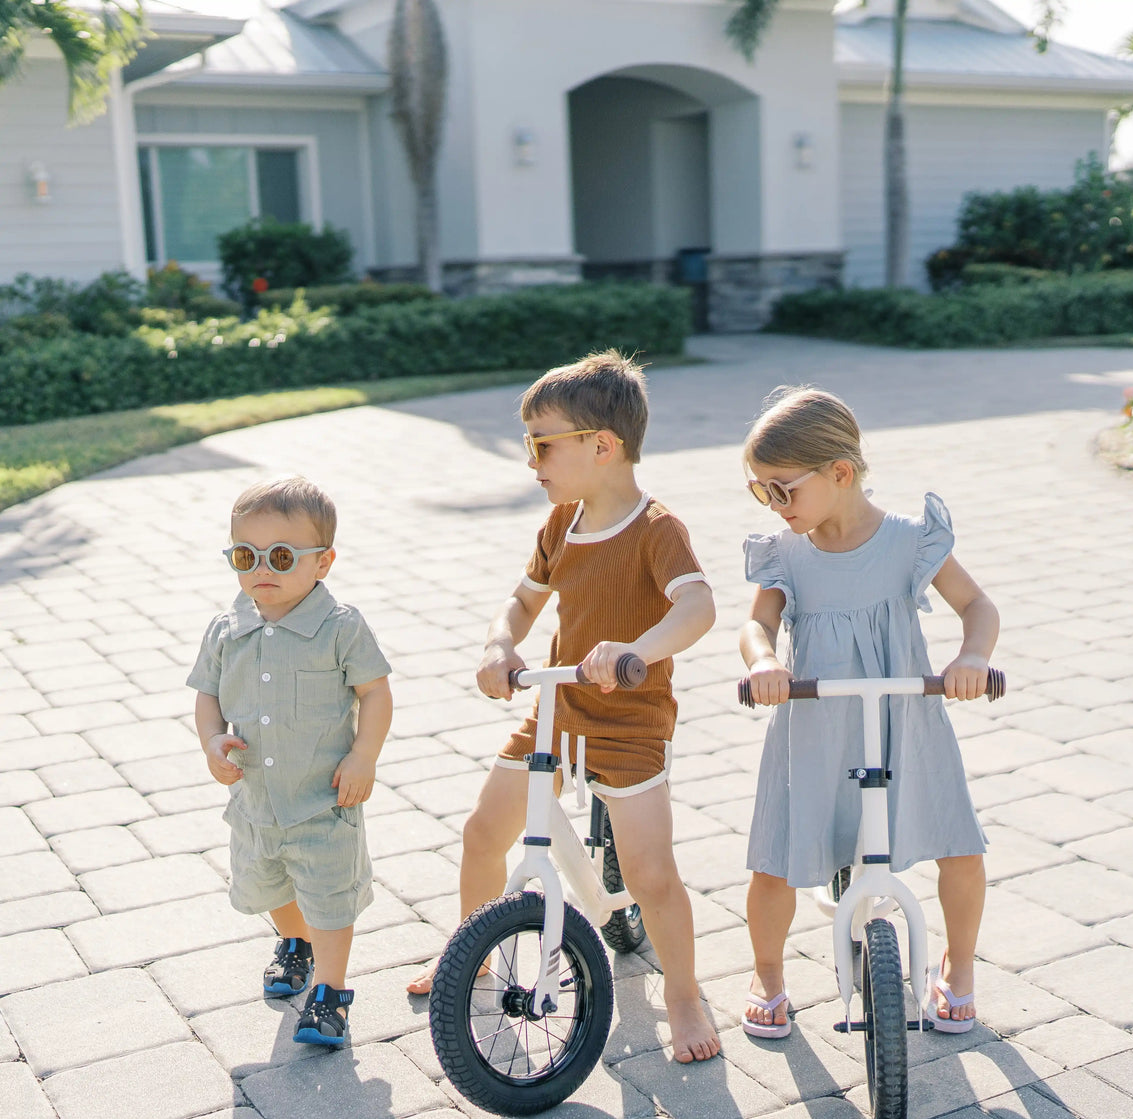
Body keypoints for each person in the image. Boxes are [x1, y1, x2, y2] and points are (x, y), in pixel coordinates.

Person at [407, 350, 721, 1064]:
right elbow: (522, 601)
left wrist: (636, 649)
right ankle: (476, 955)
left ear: (601, 446)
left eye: (542, 445)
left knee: (651, 876)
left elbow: (698, 606)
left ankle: (683, 994)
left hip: (629, 719)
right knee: (483, 832)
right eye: (530, 446)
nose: (531, 462)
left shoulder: (655, 530)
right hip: (557, 709)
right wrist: (499, 645)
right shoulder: (560, 525)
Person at [738, 387, 998, 1037]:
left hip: (903, 725)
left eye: (782, 490)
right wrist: (764, 663)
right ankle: (767, 974)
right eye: (760, 492)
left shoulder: (909, 542)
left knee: (958, 844)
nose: (774, 506)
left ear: (841, 474)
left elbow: (978, 608)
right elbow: (756, 627)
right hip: (813, 727)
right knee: (774, 857)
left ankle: (958, 967)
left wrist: (971, 657)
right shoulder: (786, 554)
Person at [188, 477, 392, 1048]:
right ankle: (293, 943)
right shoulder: (227, 631)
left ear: (323, 562)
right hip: (255, 803)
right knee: (268, 887)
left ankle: (330, 995)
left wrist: (363, 756)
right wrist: (211, 741)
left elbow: (375, 693)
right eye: (244, 556)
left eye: (280, 556)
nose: (261, 569)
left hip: (323, 801)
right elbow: (206, 693)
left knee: (328, 898)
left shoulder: (340, 628)